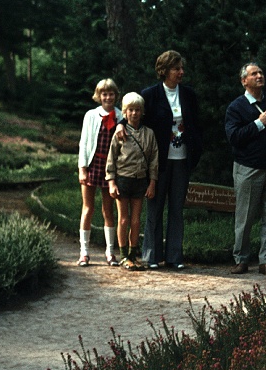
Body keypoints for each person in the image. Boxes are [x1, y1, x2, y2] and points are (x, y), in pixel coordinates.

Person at [115, 50, 203, 270]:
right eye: (176, 68)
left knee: (176, 208)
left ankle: (175, 256)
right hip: (157, 162)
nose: (181, 72)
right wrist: (119, 123)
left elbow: (198, 125)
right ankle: (151, 255)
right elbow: (130, 109)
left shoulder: (189, 95)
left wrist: (196, 151)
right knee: (154, 208)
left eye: (182, 68)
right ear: (164, 71)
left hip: (182, 159)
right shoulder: (151, 94)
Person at [225, 62, 266, 278]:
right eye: (254, 74)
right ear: (244, 80)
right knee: (244, 218)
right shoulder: (236, 107)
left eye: (261, 72)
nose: (259, 76)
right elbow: (234, 137)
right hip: (248, 169)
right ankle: (241, 260)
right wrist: (259, 124)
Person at [106, 92, 159, 271]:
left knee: (136, 220)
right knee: (123, 219)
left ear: (142, 112)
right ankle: (123, 256)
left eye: (137, 110)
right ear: (125, 112)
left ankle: (133, 254)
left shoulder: (149, 134)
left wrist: (152, 182)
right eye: (130, 110)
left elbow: (153, 160)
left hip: (140, 181)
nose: (134, 113)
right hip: (123, 180)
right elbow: (111, 159)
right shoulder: (119, 133)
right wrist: (111, 182)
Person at [76, 78, 122, 267]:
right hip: (92, 165)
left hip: (110, 169)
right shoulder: (91, 115)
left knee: (108, 210)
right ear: (98, 96)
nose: (107, 97)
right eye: (104, 94)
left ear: (115, 96)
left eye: (111, 94)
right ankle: (84, 252)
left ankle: (110, 252)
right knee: (88, 208)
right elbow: (84, 143)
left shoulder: (120, 116)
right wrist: (82, 169)